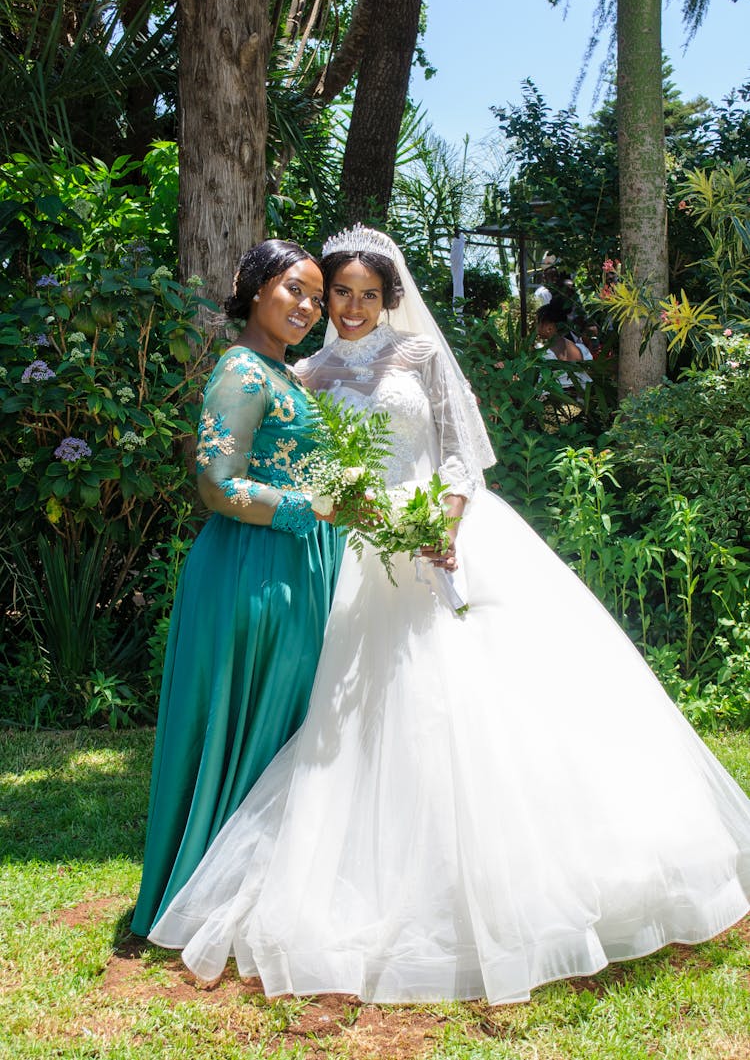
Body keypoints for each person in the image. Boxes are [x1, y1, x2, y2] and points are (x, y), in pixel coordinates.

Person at [148, 226, 750, 1005]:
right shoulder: (302, 370)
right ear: (323, 298)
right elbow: (286, 458)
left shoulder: (424, 358)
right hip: (356, 548)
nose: (352, 306)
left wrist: (447, 521)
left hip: (445, 537)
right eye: (339, 293)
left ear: (390, 298)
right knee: (362, 718)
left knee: (489, 703)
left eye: (368, 294)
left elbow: (464, 452)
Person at [130, 240, 344, 938]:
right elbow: (216, 484)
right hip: (250, 570)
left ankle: (259, 893)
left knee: (283, 726)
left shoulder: (290, 377)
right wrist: (305, 507)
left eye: (317, 297)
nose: (309, 307)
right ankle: (208, 893)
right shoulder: (243, 371)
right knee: (248, 724)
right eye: (294, 290)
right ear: (254, 289)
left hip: (295, 567)